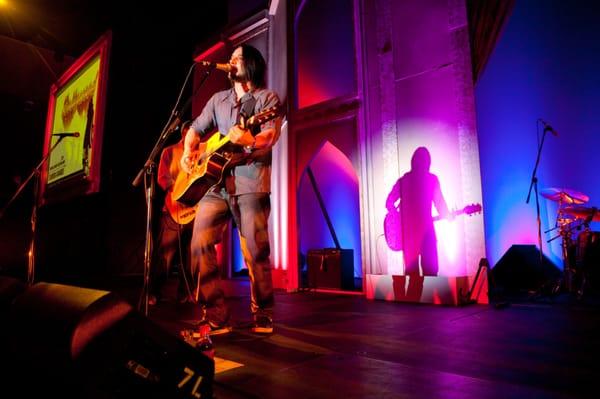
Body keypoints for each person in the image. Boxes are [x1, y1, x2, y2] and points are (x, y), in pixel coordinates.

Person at [180, 44, 282, 335]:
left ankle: (262, 312)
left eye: (236, 58)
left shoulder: (266, 98)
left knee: (254, 249)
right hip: (216, 183)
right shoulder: (217, 100)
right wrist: (189, 153)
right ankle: (215, 314)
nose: (230, 62)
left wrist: (249, 138)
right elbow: (194, 131)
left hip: (250, 179)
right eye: (230, 58)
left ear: (249, 63)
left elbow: (270, 135)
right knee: (199, 240)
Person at [385, 147, 451, 299]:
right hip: (427, 234)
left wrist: (397, 217)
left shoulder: (404, 180)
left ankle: (412, 310)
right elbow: (440, 203)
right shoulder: (431, 179)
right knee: (431, 273)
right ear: (428, 162)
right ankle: (430, 310)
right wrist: (448, 215)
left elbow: (389, 202)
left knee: (413, 276)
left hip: (409, 237)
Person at [149, 121, 195, 306]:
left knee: (190, 256)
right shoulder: (170, 151)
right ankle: (154, 292)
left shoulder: (200, 153)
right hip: (172, 210)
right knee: (165, 256)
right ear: (184, 132)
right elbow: (162, 178)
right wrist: (180, 188)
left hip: (194, 210)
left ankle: (186, 294)